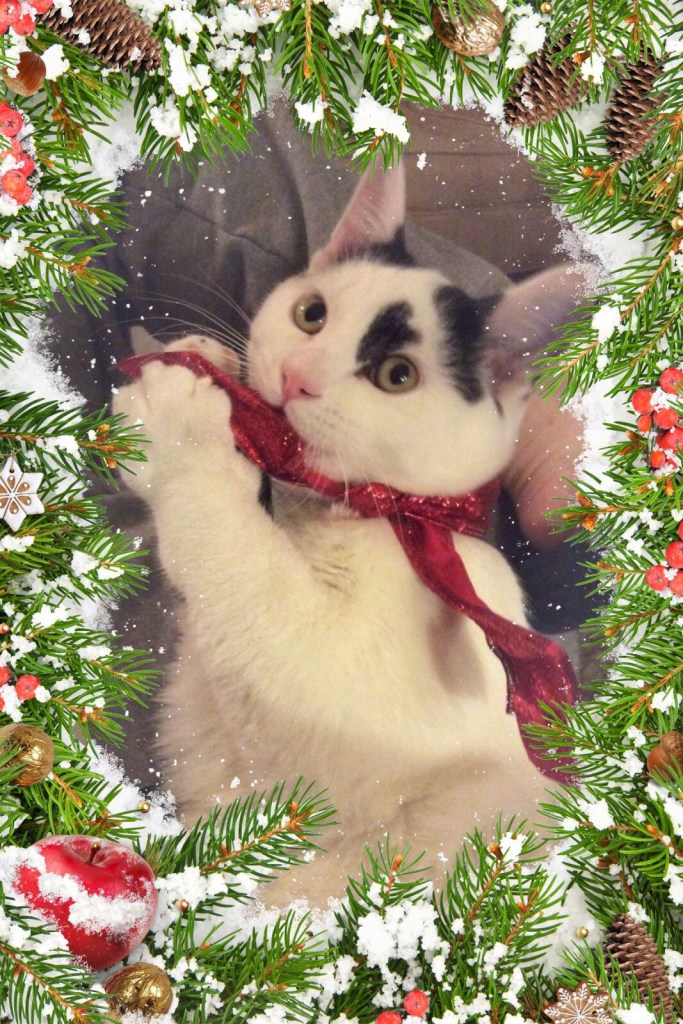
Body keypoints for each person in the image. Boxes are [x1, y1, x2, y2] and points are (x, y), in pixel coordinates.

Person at [44, 100, 592, 785]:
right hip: (520, 649)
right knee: (136, 142)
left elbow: (294, 723)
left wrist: (192, 471)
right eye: (309, 316)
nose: (299, 377)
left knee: (59, 544)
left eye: (393, 373)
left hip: (319, 809)